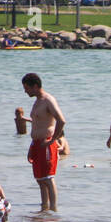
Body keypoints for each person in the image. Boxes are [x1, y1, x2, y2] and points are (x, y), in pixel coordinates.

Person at [23, 72, 65, 211]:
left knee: (48, 178)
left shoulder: (48, 100)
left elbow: (61, 120)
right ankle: (44, 209)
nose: (25, 91)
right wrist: (31, 146)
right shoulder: (37, 101)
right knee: (40, 180)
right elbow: (36, 123)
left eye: (27, 88)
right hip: (36, 144)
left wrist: (53, 140)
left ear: (35, 86)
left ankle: (53, 209)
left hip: (46, 143)